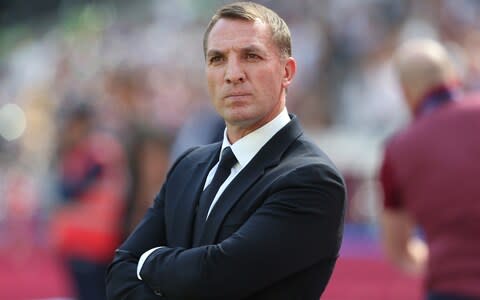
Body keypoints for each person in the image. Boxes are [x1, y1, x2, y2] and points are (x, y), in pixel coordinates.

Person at [105, 2, 346, 299]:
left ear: (287, 71)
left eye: (251, 56)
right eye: (217, 59)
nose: (233, 74)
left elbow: (213, 276)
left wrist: (147, 261)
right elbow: (118, 273)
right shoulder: (188, 166)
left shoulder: (311, 179)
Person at [379, 38, 480, 300]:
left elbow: (399, 250)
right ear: (454, 75)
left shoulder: (398, 149)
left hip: (450, 288)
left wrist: (444, 254)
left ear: (404, 91)